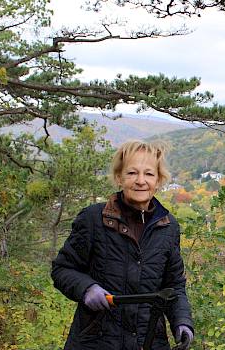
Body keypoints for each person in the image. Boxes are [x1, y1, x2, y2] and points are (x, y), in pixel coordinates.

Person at [52, 140, 194, 349]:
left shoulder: (168, 227)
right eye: (131, 173)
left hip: (148, 342)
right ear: (119, 178)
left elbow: (173, 286)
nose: (140, 181)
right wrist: (86, 288)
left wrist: (182, 322)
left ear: (158, 180)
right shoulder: (93, 219)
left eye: (148, 174)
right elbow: (62, 269)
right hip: (96, 342)